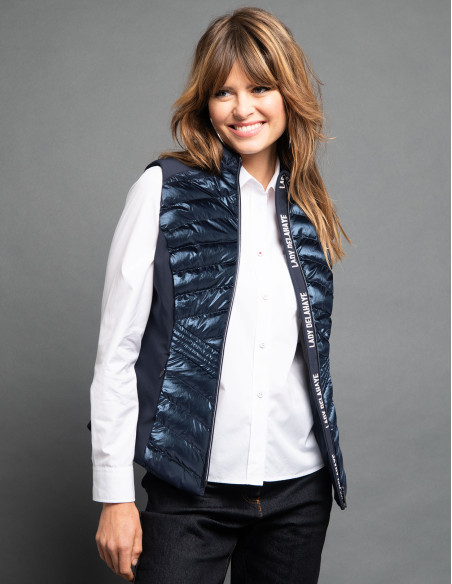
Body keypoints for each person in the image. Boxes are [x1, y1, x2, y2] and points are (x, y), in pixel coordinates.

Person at [90, 7, 350, 584]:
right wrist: (114, 494)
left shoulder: (307, 208)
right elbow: (117, 352)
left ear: (288, 94)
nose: (241, 108)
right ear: (204, 104)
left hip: (298, 494)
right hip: (190, 489)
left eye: (259, 88)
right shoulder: (164, 190)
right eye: (223, 92)